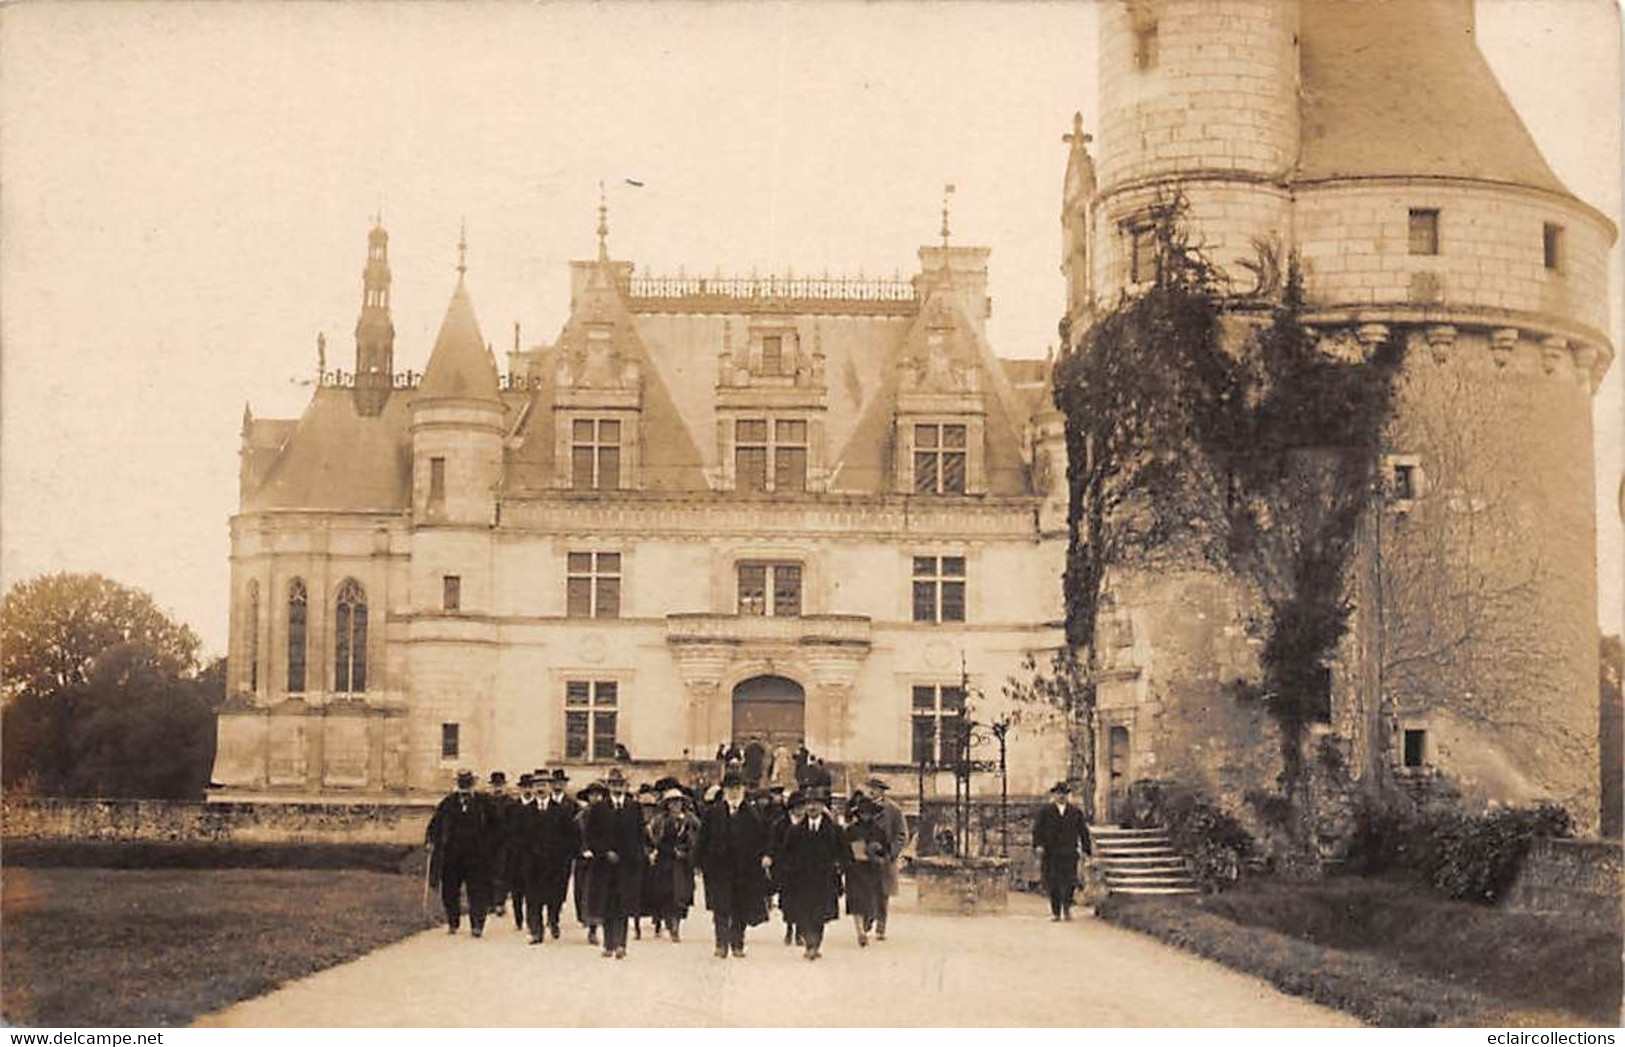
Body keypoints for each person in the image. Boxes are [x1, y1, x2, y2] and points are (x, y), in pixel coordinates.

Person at [697, 771, 771, 959]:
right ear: (724, 790)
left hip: (744, 870)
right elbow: (702, 839)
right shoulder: (713, 813)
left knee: (740, 908)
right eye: (731, 788)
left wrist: (766, 855)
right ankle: (721, 944)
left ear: (743, 790)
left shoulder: (753, 814)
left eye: (738, 788)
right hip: (719, 869)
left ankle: (737, 943)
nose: (734, 792)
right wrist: (699, 862)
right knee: (720, 908)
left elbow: (764, 838)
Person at [583, 767, 645, 958]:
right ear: (609, 786)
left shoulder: (634, 808)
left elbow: (639, 836)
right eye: (614, 784)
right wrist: (604, 852)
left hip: (627, 865)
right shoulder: (598, 809)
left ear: (626, 786)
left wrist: (632, 856)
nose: (618, 788)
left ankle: (621, 944)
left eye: (621, 784)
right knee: (607, 904)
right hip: (605, 865)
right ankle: (608, 943)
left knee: (624, 905)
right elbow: (591, 836)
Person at [778, 789, 845, 960]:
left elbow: (844, 853)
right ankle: (810, 944)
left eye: (817, 803)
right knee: (804, 912)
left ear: (823, 806)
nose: (813, 807)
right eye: (809, 803)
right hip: (802, 879)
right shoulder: (794, 831)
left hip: (824, 879)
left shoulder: (834, 830)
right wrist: (789, 871)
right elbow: (786, 854)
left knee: (820, 914)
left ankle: (815, 943)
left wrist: (839, 867)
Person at [425, 769, 493, 937]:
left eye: (468, 783)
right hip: (452, 856)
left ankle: (477, 924)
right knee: (449, 890)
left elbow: (495, 826)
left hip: (476, 856)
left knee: (477, 890)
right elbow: (435, 824)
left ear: (473, 784)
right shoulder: (448, 803)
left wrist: (490, 846)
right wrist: (431, 840)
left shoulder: (483, 803)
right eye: (462, 783)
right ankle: (453, 921)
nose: (465, 787)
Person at [645, 787, 700, 943]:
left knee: (683, 894)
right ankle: (671, 924)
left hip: (684, 863)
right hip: (665, 862)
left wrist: (689, 854)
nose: (676, 805)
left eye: (678, 802)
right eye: (672, 803)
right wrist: (667, 851)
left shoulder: (691, 820)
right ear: (667, 805)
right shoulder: (660, 821)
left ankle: (677, 923)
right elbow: (654, 840)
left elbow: (698, 840)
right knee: (667, 894)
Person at [1033, 780, 1091, 921]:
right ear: (1054, 795)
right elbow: (1037, 830)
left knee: (1070, 881)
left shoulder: (1075, 812)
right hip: (1051, 853)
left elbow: (1083, 832)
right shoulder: (1045, 812)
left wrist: (1086, 849)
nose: (1061, 797)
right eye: (1059, 793)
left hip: (1069, 852)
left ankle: (1067, 907)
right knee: (1053, 882)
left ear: (1068, 795)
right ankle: (1056, 912)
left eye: (1064, 794)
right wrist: (1038, 845)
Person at [534, 769, 579, 941]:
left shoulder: (564, 809)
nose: (540, 788)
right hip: (535, 860)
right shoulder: (527, 810)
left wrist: (567, 854)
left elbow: (572, 834)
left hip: (557, 860)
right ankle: (536, 930)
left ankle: (553, 919)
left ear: (549, 787)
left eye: (543, 785)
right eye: (537, 785)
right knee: (535, 894)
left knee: (556, 893)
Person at [842, 796, 892, 947]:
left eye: (868, 813)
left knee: (870, 900)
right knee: (856, 900)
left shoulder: (878, 831)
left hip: (872, 869)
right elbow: (843, 848)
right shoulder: (850, 830)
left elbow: (886, 850)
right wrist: (847, 859)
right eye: (862, 813)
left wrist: (878, 851)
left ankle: (868, 921)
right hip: (855, 869)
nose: (865, 816)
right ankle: (860, 933)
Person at [866, 776, 908, 940]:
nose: (871, 791)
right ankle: (868, 920)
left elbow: (901, 834)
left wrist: (892, 853)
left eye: (875, 789)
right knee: (867, 890)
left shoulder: (893, 810)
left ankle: (881, 928)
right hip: (867, 858)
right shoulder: (863, 807)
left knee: (883, 894)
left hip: (885, 858)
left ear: (882, 791)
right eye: (870, 788)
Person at [508, 773, 542, 935]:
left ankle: (531, 921)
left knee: (531, 889)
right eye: (525, 787)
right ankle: (518, 918)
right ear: (520, 789)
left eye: (530, 787)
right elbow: (507, 831)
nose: (528, 790)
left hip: (532, 855)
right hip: (515, 854)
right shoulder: (513, 807)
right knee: (516, 889)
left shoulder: (537, 808)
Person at [573, 780, 606, 944]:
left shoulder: (610, 815)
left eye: (599, 795)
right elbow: (574, 837)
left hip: (603, 860)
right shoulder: (581, 817)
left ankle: (598, 928)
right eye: (593, 795)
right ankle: (590, 925)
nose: (596, 798)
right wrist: (582, 850)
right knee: (584, 893)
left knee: (602, 894)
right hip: (585, 861)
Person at [482, 771, 514, 920]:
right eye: (495, 786)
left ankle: (500, 902)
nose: (498, 789)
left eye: (500, 785)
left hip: (505, 843)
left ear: (505, 786)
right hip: (488, 842)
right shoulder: (486, 802)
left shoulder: (510, 803)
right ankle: (489, 902)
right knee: (487, 871)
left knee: (503, 872)